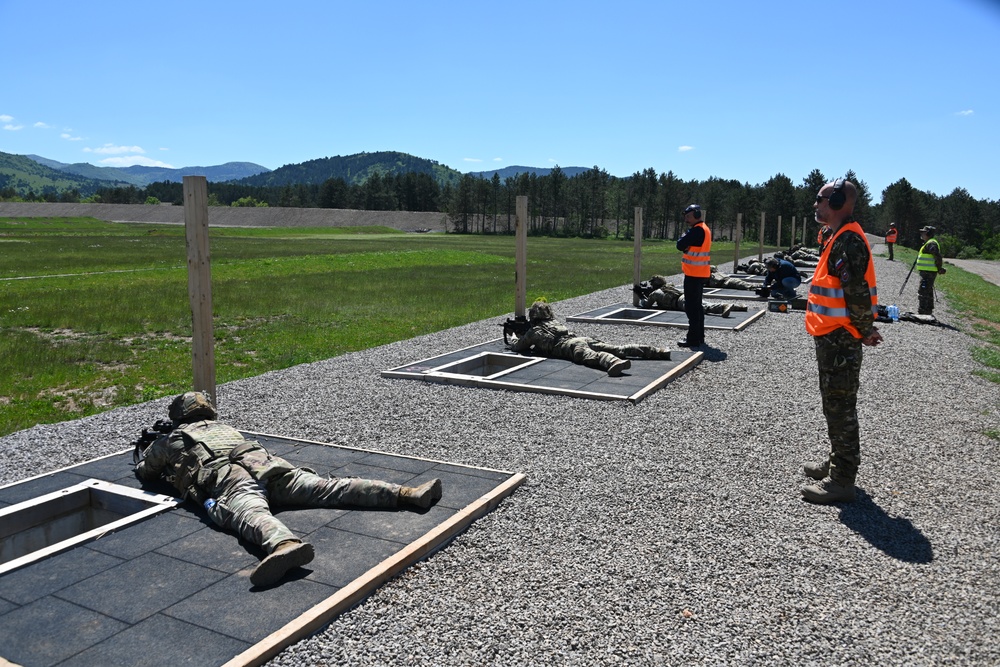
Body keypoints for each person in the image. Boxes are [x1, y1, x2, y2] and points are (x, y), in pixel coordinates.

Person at [135, 392, 443, 587]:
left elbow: (145, 471)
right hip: (270, 468)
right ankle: (407, 493)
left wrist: (157, 452)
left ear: (178, 418)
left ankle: (284, 545)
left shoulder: (171, 440)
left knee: (250, 512)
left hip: (231, 478)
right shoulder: (227, 428)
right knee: (329, 487)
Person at [802, 178, 883, 504]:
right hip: (833, 335)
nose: (816, 205)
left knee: (840, 409)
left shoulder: (847, 241)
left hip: (840, 338)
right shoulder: (838, 236)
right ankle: (838, 461)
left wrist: (864, 330)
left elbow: (857, 294)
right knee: (834, 405)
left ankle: (842, 480)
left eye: (821, 199)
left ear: (838, 202)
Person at [508, 300, 672, 375]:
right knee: (618, 348)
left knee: (593, 357)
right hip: (582, 339)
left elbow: (518, 347)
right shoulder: (554, 322)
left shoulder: (534, 331)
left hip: (571, 347)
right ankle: (658, 351)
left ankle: (614, 362)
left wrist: (514, 336)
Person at [676, 204, 711, 347]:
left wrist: (684, 239)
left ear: (697, 215)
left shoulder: (697, 231)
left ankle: (693, 339)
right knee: (697, 306)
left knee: (691, 307)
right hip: (699, 272)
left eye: (689, 216)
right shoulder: (704, 229)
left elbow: (680, 244)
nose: (686, 219)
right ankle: (699, 337)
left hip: (694, 274)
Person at [637, 275, 748, 317]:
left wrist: (641, 296)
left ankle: (723, 307)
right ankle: (736, 306)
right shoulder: (668, 286)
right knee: (704, 304)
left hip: (680, 302)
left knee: (703, 308)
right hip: (684, 296)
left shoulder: (656, 293)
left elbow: (646, 306)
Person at [915, 225, 946, 315]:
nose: (921, 234)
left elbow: (937, 256)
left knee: (923, 291)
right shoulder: (929, 242)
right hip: (927, 271)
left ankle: (923, 311)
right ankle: (927, 311)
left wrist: (939, 268)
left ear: (928, 233)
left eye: (923, 232)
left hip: (928, 272)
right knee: (928, 290)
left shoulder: (931, 243)